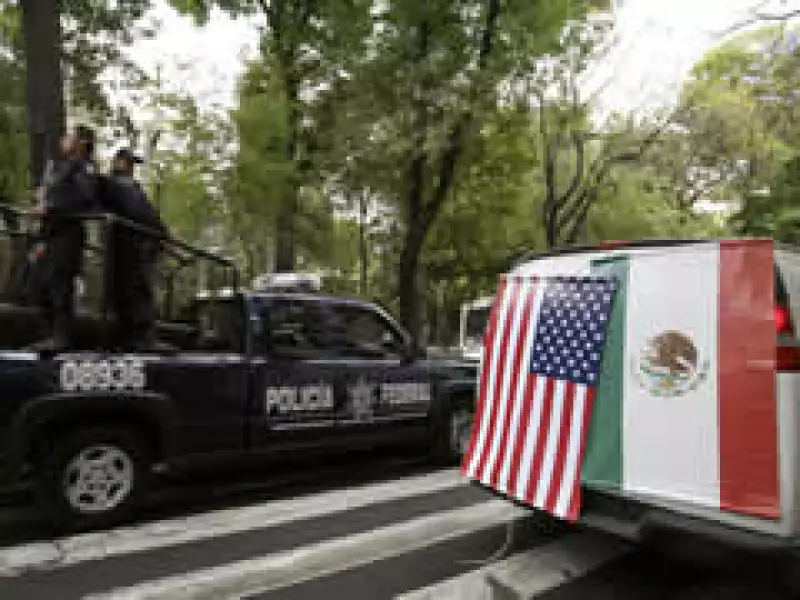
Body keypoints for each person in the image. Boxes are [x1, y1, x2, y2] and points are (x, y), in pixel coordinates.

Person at [29, 126, 99, 353]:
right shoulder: (60, 168)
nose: (64, 140)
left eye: (69, 137)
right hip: (51, 235)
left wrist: (49, 207)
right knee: (42, 284)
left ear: (81, 143)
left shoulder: (84, 167)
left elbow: (84, 199)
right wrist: (41, 238)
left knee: (60, 286)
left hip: (67, 236)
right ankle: (48, 334)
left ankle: (62, 337)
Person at [102, 147, 168, 351]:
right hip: (127, 246)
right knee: (135, 290)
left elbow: (145, 211)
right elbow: (140, 211)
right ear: (118, 162)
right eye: (129, 163)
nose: (131, 168)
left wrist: (162, 232)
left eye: (133, 164)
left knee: (133, 290)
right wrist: (160, 230)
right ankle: (140, 338)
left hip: (134, 244)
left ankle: (132, 338)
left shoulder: (128, 185)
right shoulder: (117, 184)